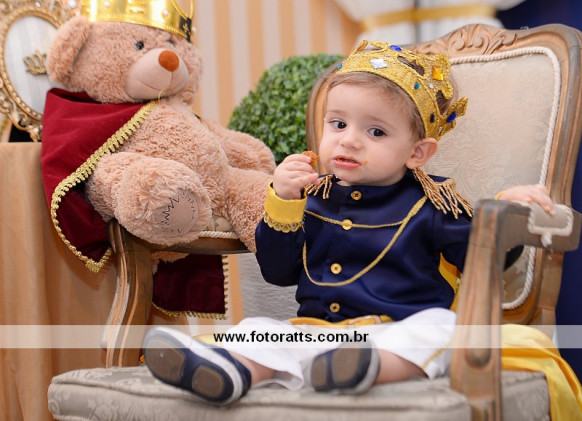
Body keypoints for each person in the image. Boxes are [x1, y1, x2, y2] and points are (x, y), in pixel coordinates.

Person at [142, 40, 555, 405]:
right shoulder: (312, 199)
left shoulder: (433, 204)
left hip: (397, 332)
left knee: (442, 326)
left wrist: (503, 211)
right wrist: (283, 201)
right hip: (320, 334)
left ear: (417, 153)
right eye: (338, 124)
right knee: (261, 330)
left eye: (375, 132)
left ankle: (370, 368)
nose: (349, 139)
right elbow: (279, 272)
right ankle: (232, 372)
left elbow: (486, 259)